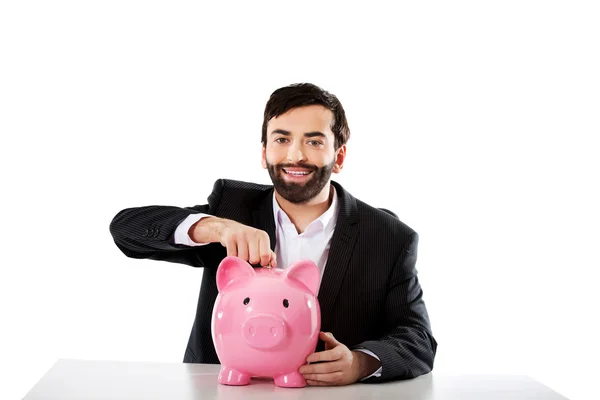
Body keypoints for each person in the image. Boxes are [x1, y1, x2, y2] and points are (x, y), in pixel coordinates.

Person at [109, 83, 437, 385]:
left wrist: (360, 363)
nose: (295, 155)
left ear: (338, 156)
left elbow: (417, 338)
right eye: (282, 139)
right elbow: (126, 229)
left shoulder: (389, 236)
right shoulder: (232, 207)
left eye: (313, 141)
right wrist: (214, 227)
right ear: (264, 151)